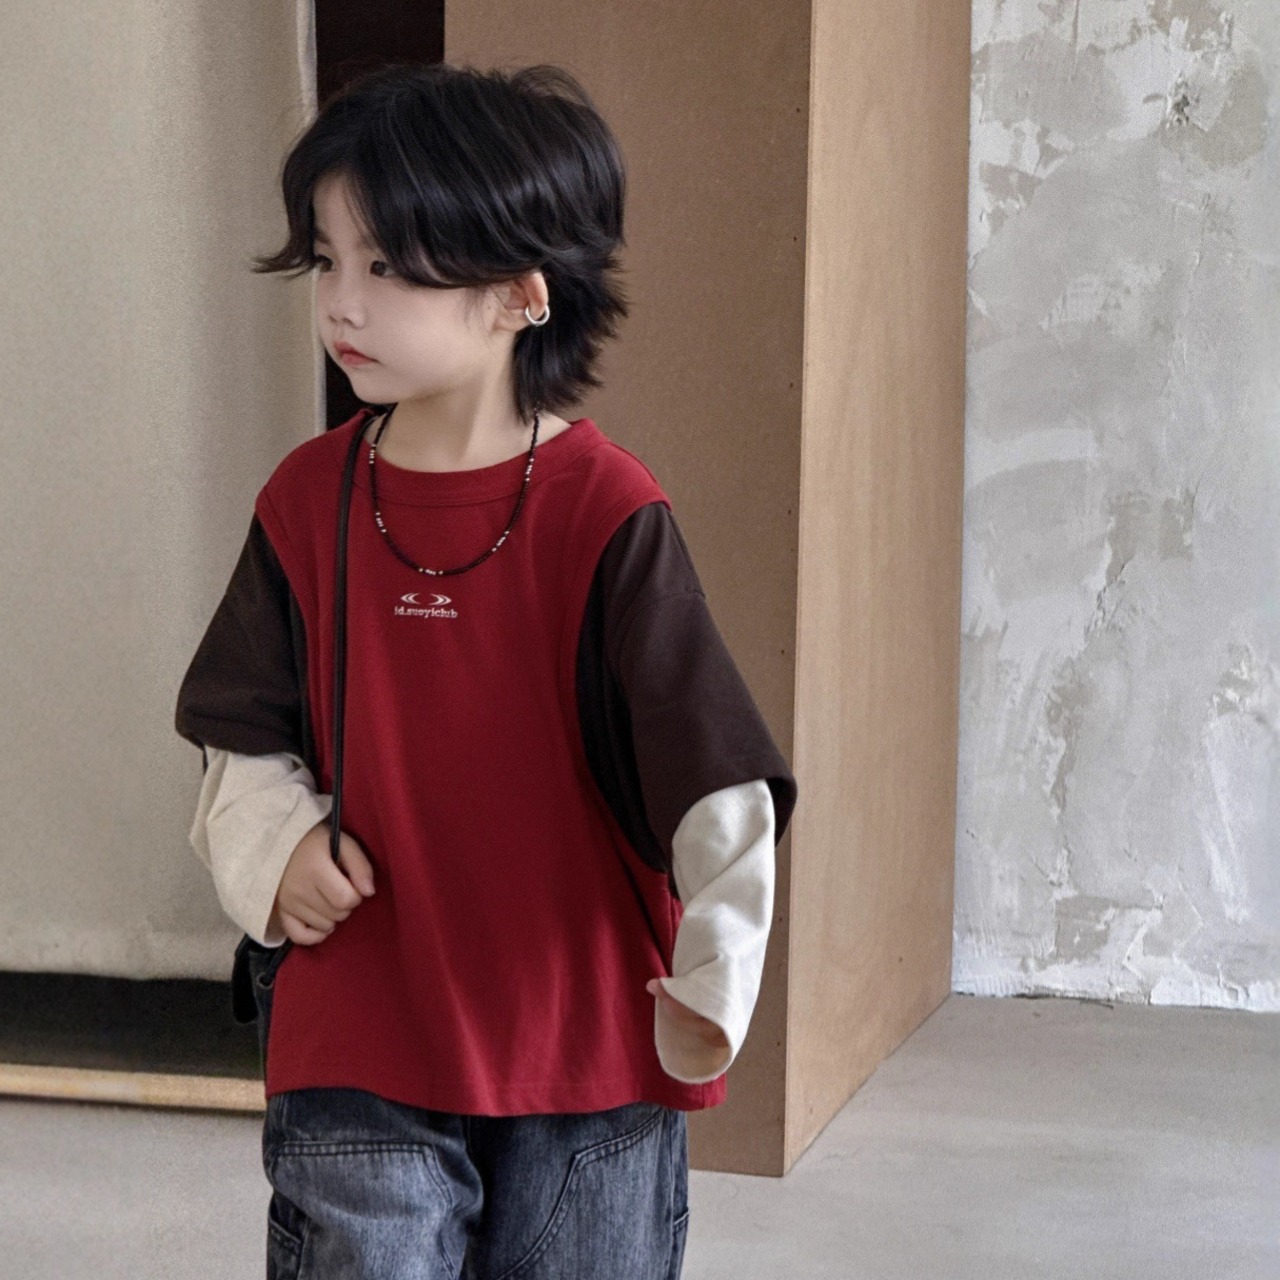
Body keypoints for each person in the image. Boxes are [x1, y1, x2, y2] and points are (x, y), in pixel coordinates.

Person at [174, 60, 797, 1280]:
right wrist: (278, 847)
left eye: (389, 268)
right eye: (328, 261)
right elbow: (235, 729)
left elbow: (714, 776)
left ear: (520, 294)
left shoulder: (606, 511)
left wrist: (716, 976)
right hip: (360, 1025)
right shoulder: (305, 500)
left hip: (585, 1042)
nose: (342, 302)